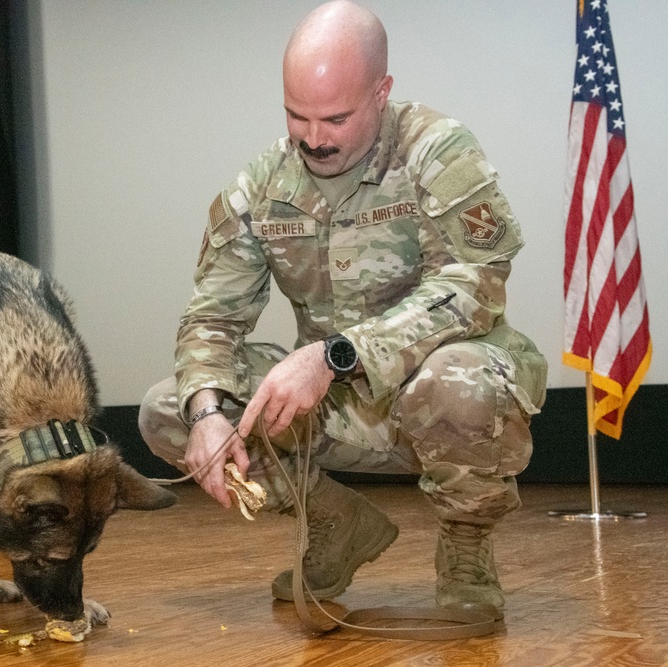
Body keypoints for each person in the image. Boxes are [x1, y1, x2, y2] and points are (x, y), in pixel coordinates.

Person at [139, 0, 547, 620]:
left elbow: (476, 283)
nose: (313, 137)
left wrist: (338, 355)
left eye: (335, 117)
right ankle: (335, 520)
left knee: (458, 379)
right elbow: (211, 319)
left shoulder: (435, 151)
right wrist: (205, 415)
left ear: (381, 92)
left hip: (436, 396)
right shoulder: (263, 186)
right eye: (295, 114)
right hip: (335, 405)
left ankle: (466, 547)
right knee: (169, 408)